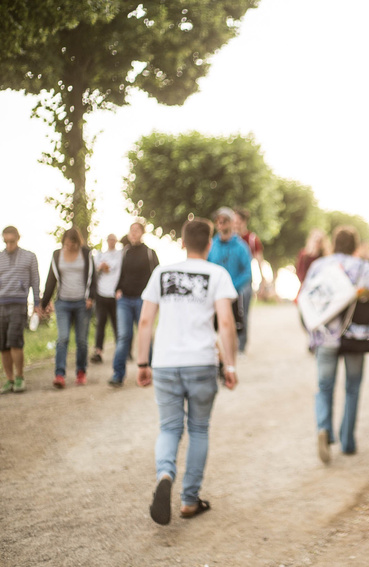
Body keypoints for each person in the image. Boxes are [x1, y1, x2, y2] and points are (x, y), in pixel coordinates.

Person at [136, 217, 238, 525]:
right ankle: (189, 500)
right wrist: (230, 364)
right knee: (198, 430)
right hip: (201, 362)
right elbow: (227, 322)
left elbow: (144, 321)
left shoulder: (161, 273)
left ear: (182, 242)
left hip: (165, 362)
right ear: (209, 244)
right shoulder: (217, 273)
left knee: (169, 428)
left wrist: (142, 363)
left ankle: (165, 474)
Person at [303, 225, 369, 464]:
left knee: (324, 387)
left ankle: (324, 428)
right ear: (355, 246)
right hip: (355, 336)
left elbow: (307, 298)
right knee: (352, 387)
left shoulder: (319, 266)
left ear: (333, 244)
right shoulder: (364, 267)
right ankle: (348, 440)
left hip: (326, 335)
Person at [0, 226, 42, 394]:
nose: (9, 245)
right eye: (6, 242)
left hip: (19, 304)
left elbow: (35, 280)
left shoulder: (29, 257)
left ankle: (19, 377)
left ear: (18, 239)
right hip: (0, 304)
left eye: (12, 241)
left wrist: (37, 302)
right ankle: (9, 379)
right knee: (2, 345)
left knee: (14, 341)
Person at [40, 228, 97, 388]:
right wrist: (44, 304)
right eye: (66, 244)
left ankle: (81, 372)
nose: (69, 247)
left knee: (81, 341)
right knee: (63, 338)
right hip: (63, 302)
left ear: (78, 243)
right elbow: (51, 280)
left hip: (82, 303)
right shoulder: (57, 255)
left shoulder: (86, 254)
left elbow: (94, 278)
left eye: (72, 244)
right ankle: (59, 375)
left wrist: (91, 297)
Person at [109, 221, 159, 387]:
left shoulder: (150, 253)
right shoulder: (124, 252)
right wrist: (117, 289)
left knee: (145, 334)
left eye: (137, 230)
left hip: (143, 300)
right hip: (124, 299)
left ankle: (149, 370)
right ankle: (118, 374)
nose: (134, 233)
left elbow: (157, 276)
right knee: (124, 336)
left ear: (142, 233)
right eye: (131, 230)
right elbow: (119, 273)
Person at [207, 207, 252, 355]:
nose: (221, 225)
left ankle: (238, 349)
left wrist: (232, 287)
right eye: (218, 222)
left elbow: (247, 272)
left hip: (234, 294)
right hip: (214, 294)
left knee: (235, 323)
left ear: (231, 223)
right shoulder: (211, 245)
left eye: (224, 221)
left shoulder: (241, 247)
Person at [91, 233, 122, 363]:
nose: (111, 242)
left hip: (114, 295)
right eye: (109, 239)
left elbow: (109, 268)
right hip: (101, 294)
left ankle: (122, 351)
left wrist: (104, 266)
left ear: (116, 241)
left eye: (113, 239)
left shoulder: (119, 255)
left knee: (117, 325)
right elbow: (96, 269)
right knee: (100, 324)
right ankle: (98, 351)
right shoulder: (99, 254)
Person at [234, 208, 269, 302]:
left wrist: (263, 282)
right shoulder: (230, 238)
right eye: (234, 222)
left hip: (245, 279)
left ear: (244, 222)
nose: (235, 224)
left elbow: (260, 262)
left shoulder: (252, 239)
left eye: (238, 222)